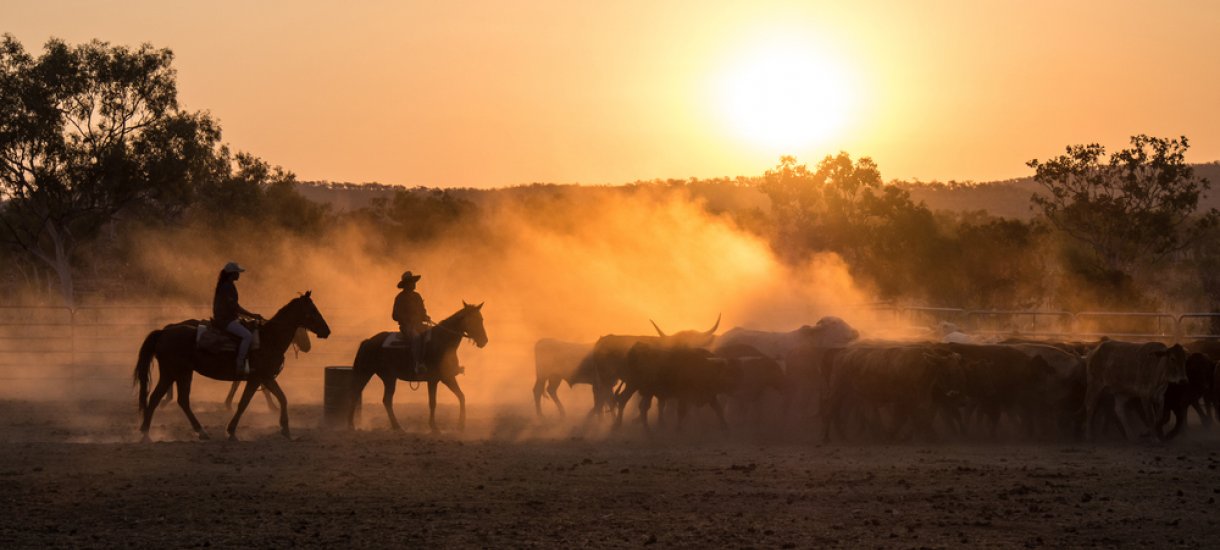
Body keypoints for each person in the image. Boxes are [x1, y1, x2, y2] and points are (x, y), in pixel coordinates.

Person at [214, 262, 264, 376]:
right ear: (232, 274)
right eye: (237, 272)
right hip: (225, 321)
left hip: (227, 318)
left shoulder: (227, 284)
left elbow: (233, 307)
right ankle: (240, 365)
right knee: (247, 336)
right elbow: (235, 307)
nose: (239, 275)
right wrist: (253, 315)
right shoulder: (227, 286)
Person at [392, 271, 431, 373]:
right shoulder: (400, 298)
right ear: (406, 285)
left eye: (414, 282)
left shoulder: (417, 296)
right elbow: (395, 315)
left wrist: (425, 317)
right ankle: (418, 364)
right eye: (411, 282)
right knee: (416, 337)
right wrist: (407, 320)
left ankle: (431, 362)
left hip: (419, 325)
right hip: (407, 327)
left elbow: (422, 311)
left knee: (433, 335)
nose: (414, 284)